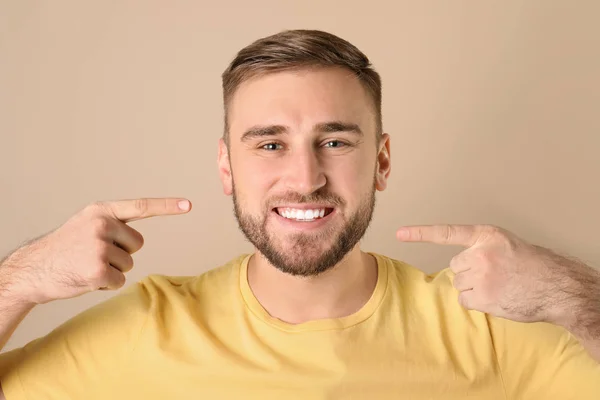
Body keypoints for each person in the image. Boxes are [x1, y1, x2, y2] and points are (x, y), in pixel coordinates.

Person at [0, 29, 599, 399]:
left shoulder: (485, 332)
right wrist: (21, 280)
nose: (306, 178)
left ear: (382, 161)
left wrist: (575, 296)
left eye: (335, 142)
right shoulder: (145, 330)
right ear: (226, 166)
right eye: (269, 144)